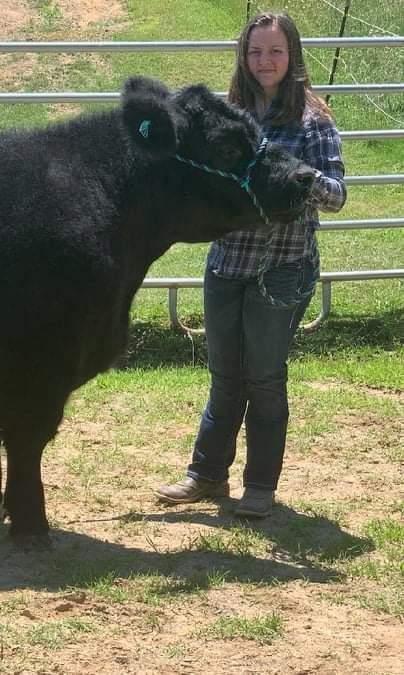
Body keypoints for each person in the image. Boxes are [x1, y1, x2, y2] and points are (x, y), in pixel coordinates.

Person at [154, 11, 346, 517]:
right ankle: (206, 475)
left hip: (282, 267)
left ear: (293, 56)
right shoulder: (226, 116)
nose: (266, 61)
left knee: (263, 376)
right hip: (227, 262)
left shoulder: (314, 122)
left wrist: (299, 177)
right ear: (244, 56)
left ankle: (260, 485)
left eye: (276, 51)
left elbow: (338, 195)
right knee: (224, 375)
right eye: (256, 51)